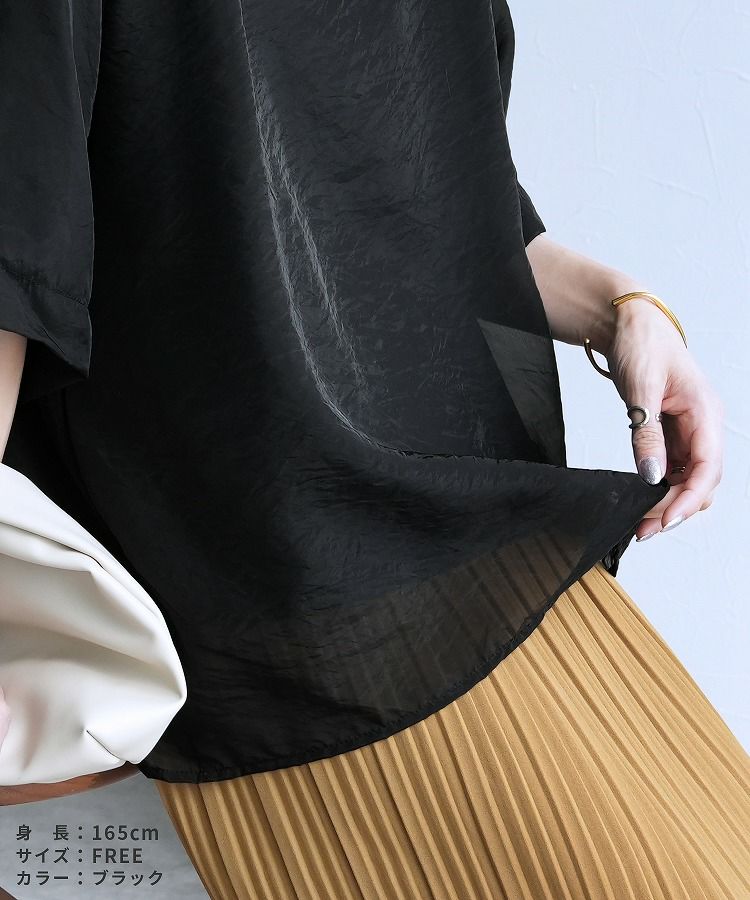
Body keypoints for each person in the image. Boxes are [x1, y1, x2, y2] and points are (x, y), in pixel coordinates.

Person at [1, 1, 748, 897]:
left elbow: (449, 210)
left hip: (495, 570)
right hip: (257, 637)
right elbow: (17, 247)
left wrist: (626, 309)